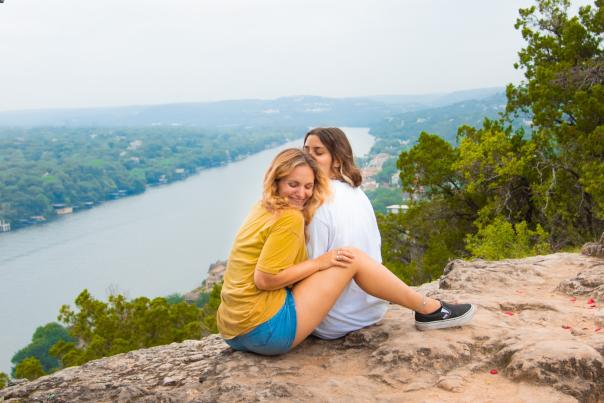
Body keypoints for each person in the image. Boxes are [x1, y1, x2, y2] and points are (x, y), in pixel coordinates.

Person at [216, 148, 475, 356]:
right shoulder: (289, 218)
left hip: (233, 330)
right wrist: (321, 263)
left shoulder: (262, 208)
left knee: (343, 258)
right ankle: (429, 309)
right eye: (293, 184)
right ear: (277, 181)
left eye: (308, 186)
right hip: (266, 332)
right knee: (351, 258)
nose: (302, 193)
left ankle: (427, 308)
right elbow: (265, 279)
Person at [304, 127, 388, 339]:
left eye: (318, 152)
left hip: (333, 320)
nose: (308, 157)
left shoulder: (319, 204)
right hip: (372, 309)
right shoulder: (357, 193)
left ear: (337, 160)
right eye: (306, 150)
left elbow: (312, 265)